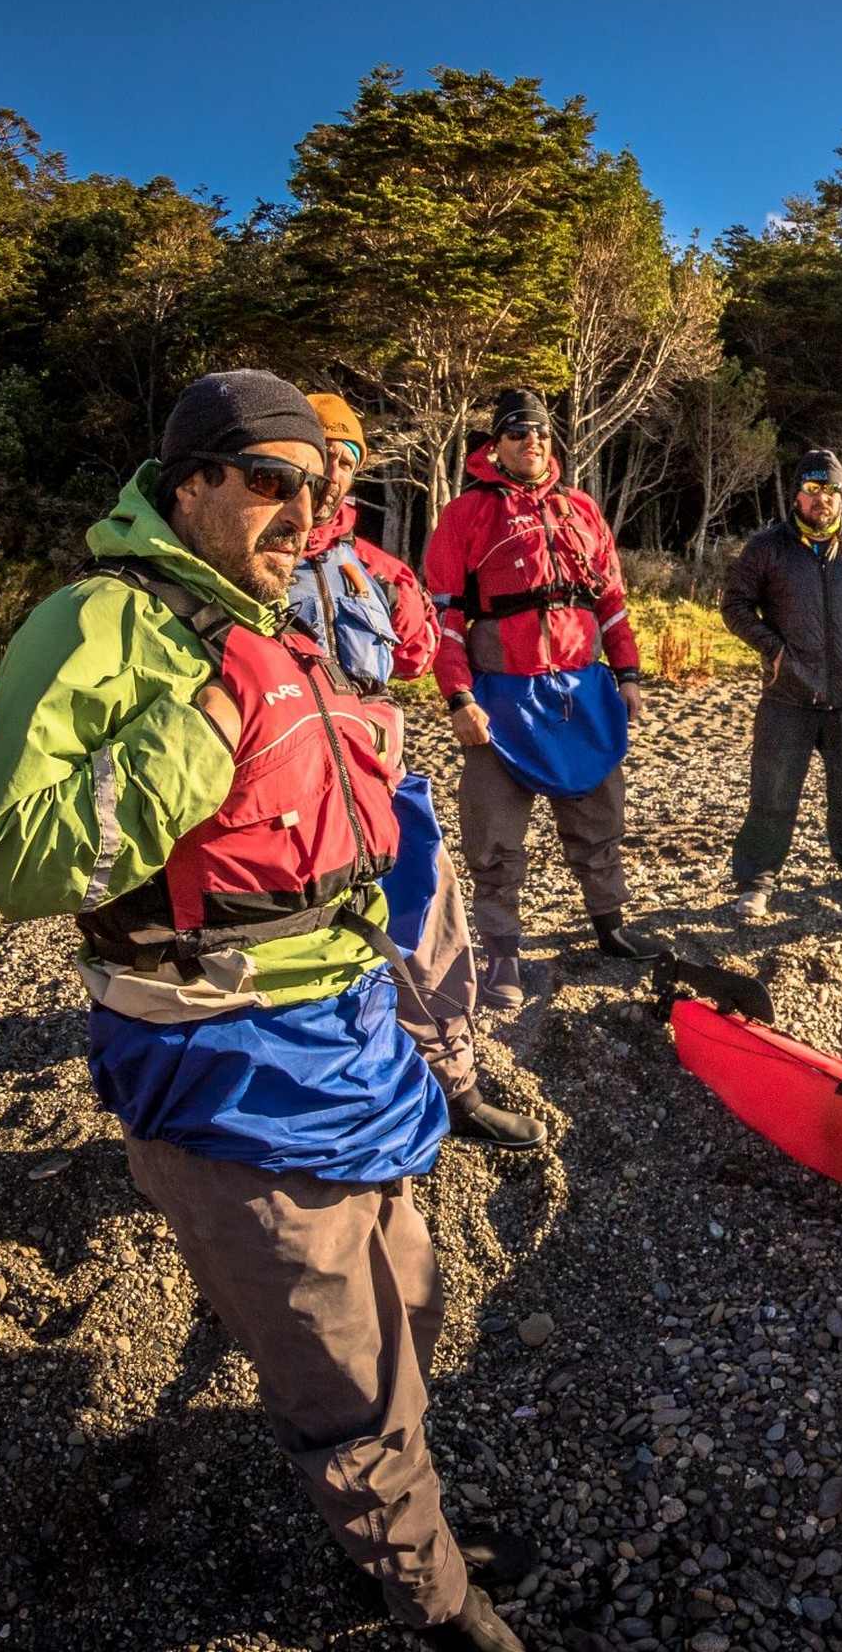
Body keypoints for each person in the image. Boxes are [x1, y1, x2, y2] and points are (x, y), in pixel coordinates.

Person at [0, 370, 531, 1651]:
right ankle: (430, 1598)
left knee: (412, 1310)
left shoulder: (275, 623)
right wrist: (207, 725)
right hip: (219, 1061)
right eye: (272, 480)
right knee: (342, 1373)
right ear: (191, 484)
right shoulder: (93, 625)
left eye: (318, 486)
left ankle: (407, 1532)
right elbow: (24, 860)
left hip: (348, 1039)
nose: (304, 508)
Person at [294, 391, 544, 1149]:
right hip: (288, 796)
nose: (335, 474)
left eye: (348, 459)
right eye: (321, 456)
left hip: (377, 785)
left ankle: (456, 1088)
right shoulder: (237, 570)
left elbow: (412, 653)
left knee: (429, 930)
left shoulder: (375, 569)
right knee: (301, 959)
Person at [425, 386, 653, 1012]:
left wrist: (627, 674)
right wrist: (459, 698)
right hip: (501, 695)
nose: (533, 442)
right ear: (495, 443)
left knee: (600, 814)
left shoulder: (581, 508)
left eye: (542, 433)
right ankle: (501, 950)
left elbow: (611, 602)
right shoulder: (466, 514)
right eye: (519, 432)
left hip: (580, 689)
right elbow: (443, 616)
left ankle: (609, 924)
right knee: (495, 832)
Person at [719, 448, 842, 919]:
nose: (821, 499)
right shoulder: (768, 547)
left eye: (830, 490)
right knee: (773, 792)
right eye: (812, 489)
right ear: (796, 494)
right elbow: (735, 605)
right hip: (788, 694)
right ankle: (757, 882)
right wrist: (775, 650)